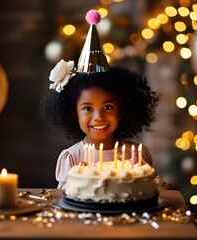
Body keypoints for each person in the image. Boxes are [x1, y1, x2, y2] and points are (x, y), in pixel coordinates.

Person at [40, 10, 160, 188]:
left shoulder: (136, 155)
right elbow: (62, 200)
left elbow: (150, 190)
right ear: (74, 113)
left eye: (108, 107)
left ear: (122, 109)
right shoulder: (71, 158)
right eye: (88, 109)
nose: (98, 117)